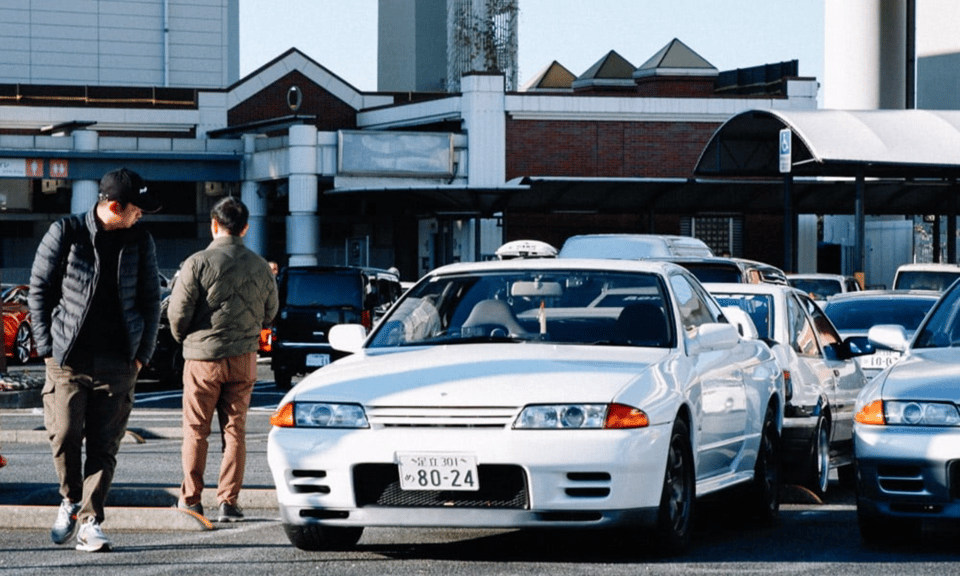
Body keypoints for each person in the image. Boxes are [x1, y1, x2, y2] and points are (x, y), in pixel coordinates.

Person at [29, 167, 162, 553]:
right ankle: (70, 499)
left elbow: (151, 301)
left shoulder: (141, 240)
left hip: (119, 362)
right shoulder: (66, 232)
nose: (141, 216)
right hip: (68, 359)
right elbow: (39, 289)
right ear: (115, 205)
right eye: (137, 209)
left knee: (105, 446)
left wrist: (142, 356)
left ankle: (90, 521)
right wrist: (47, 349)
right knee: (65, 433)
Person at [167, 196, 278, 522]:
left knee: (196, 431)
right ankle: (229, 501)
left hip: (203, 359)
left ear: (214, 225)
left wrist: (185, 339)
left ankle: (191, 499)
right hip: (243, 358)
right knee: (235, 432)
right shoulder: (260, 265)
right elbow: (270, 314)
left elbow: (177, 314)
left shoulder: (197, 262)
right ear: (245, 227)